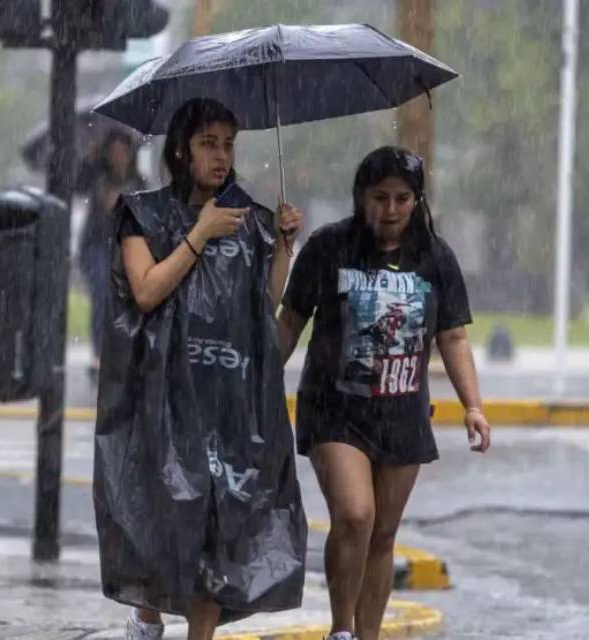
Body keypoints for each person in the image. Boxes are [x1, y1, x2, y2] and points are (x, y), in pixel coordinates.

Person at [92, 98, 306, 640]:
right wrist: (200, 233)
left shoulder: (249, 220)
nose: (221, 155)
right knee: (167, 520)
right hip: (163, 401)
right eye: (209, 142)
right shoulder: (141, 214)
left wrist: (282, 249)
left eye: (229, 144)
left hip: (227, 406)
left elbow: (263, 307)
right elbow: (145, 292)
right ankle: (147, 613)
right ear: (183, 149)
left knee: (216, 531)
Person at [276, 146, 491, 640]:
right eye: (379, 198)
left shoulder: (435, 258)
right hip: (334, 409)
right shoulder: (329, 248)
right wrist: (258, 383)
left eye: (402, 199)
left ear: (417, 201)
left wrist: (473, 406)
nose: (391, 211)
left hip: (402, 413)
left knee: (382, 534)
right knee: (355, 515)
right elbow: (289, 323)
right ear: (360, 197)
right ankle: (340, 630)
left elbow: (453, 336)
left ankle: (366, 635)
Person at [77, 128, 146, 378]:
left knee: (127, 300)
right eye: (113, 150)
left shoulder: (137, 182)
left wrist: (122, 207)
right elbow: (76, 183)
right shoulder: (96, 176)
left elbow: (144, 215)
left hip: (127, 246)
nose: (119, 156)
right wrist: (90, 156)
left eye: (123, 150)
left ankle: (123, 353)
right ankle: (99, 355)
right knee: (102, 295)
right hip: (96, 246)